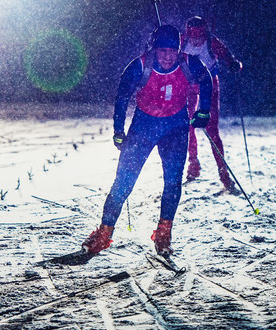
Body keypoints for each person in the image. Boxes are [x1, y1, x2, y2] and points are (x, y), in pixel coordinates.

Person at [82, 25, 213, 256]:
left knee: (173, 183)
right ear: (154, 49)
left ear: (179, 50)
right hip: (144, 127)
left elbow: (207, 80)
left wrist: (204, 111)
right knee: (123, 182)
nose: (167, 57)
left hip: (175, 128)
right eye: (162, 51)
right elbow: (122, 98)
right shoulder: (138, 66)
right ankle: (104, 234)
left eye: (172, 51)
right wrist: (118, 131)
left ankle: (163, 235)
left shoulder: (189, 63)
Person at [181, 15, 243, 190]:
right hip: (188, 85)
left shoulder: (211, 42)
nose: (196, 41)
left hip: (210, 84)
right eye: (193, 37)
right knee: (187, 125)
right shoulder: (181, 41)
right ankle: (193, 163)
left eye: (199, 37)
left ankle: (223, 172)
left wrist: (233, 64)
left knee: (212, 129)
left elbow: (226, 55)